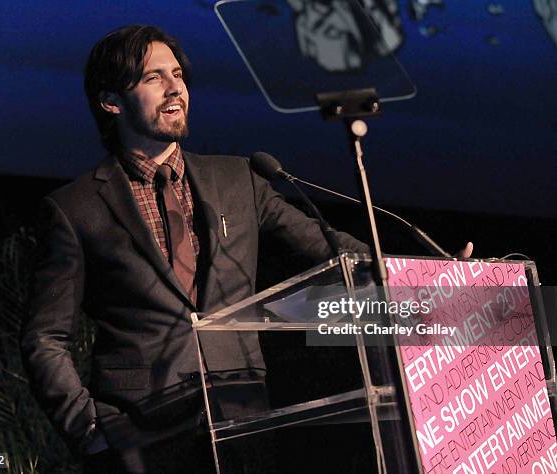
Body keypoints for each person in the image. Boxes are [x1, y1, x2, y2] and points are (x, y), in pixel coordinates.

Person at [19, 24, 369, 474]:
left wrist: (429, 271)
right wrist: (90, 430)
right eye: (152, 78)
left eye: (177, 73)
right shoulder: (75, 208)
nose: (174, 88)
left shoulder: (239, 179)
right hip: (143, 435)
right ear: (111, 101)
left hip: (244, 418)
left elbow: (333, 250)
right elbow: (45, 337)